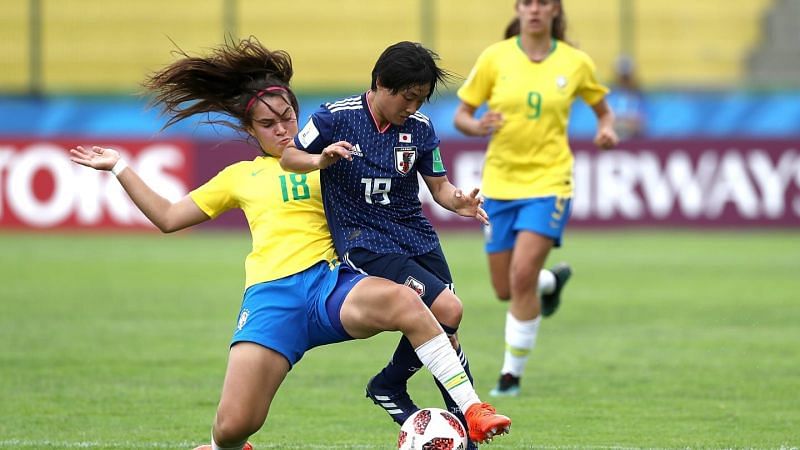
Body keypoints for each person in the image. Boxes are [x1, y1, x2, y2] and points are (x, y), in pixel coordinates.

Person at [68, 38, 511, 450]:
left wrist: (452, 199)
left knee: (409, 301)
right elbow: (168, 218)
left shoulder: (333, 156)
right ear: (250, 130)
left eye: (288, 119)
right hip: (271, 297)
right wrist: (121, 167)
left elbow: (391, 181)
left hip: (332, 285)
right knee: (234, 425)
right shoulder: (239, 177)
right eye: (267, 123)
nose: (281, 130)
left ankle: (469, 409)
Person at [280, 41, 490, 449]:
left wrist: (458, 202)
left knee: (446, 331)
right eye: (407, 97)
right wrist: (319, 160)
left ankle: (421, 410)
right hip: (365, 241)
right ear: (380, 84)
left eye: (420, 99)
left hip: (415, 235)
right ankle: (440, 404)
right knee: (446, 307)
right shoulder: (334, 118)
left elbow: (441, 187)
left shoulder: (422, 128)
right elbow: (289, 156)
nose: (412, 107)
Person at [453, 0, 619, 397]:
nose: (534, 10)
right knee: (506, 288)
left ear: (554, 10)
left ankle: (510, 377)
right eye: (527, 3)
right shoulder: (495, 57)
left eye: (543, 3)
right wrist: (476, 127)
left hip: (549, 182)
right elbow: (462, 113)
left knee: (521, 276)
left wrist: (607, 131)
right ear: (518, 9)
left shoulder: (576, 63)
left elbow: (604, 111)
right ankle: (550, 283)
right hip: (499, 183)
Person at [608, 54, 646, 140]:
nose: (624, 81)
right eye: (622, 77)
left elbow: (643, 122)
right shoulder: (609, 97)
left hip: (634, 140)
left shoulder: (639, 98)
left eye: (626, 77)